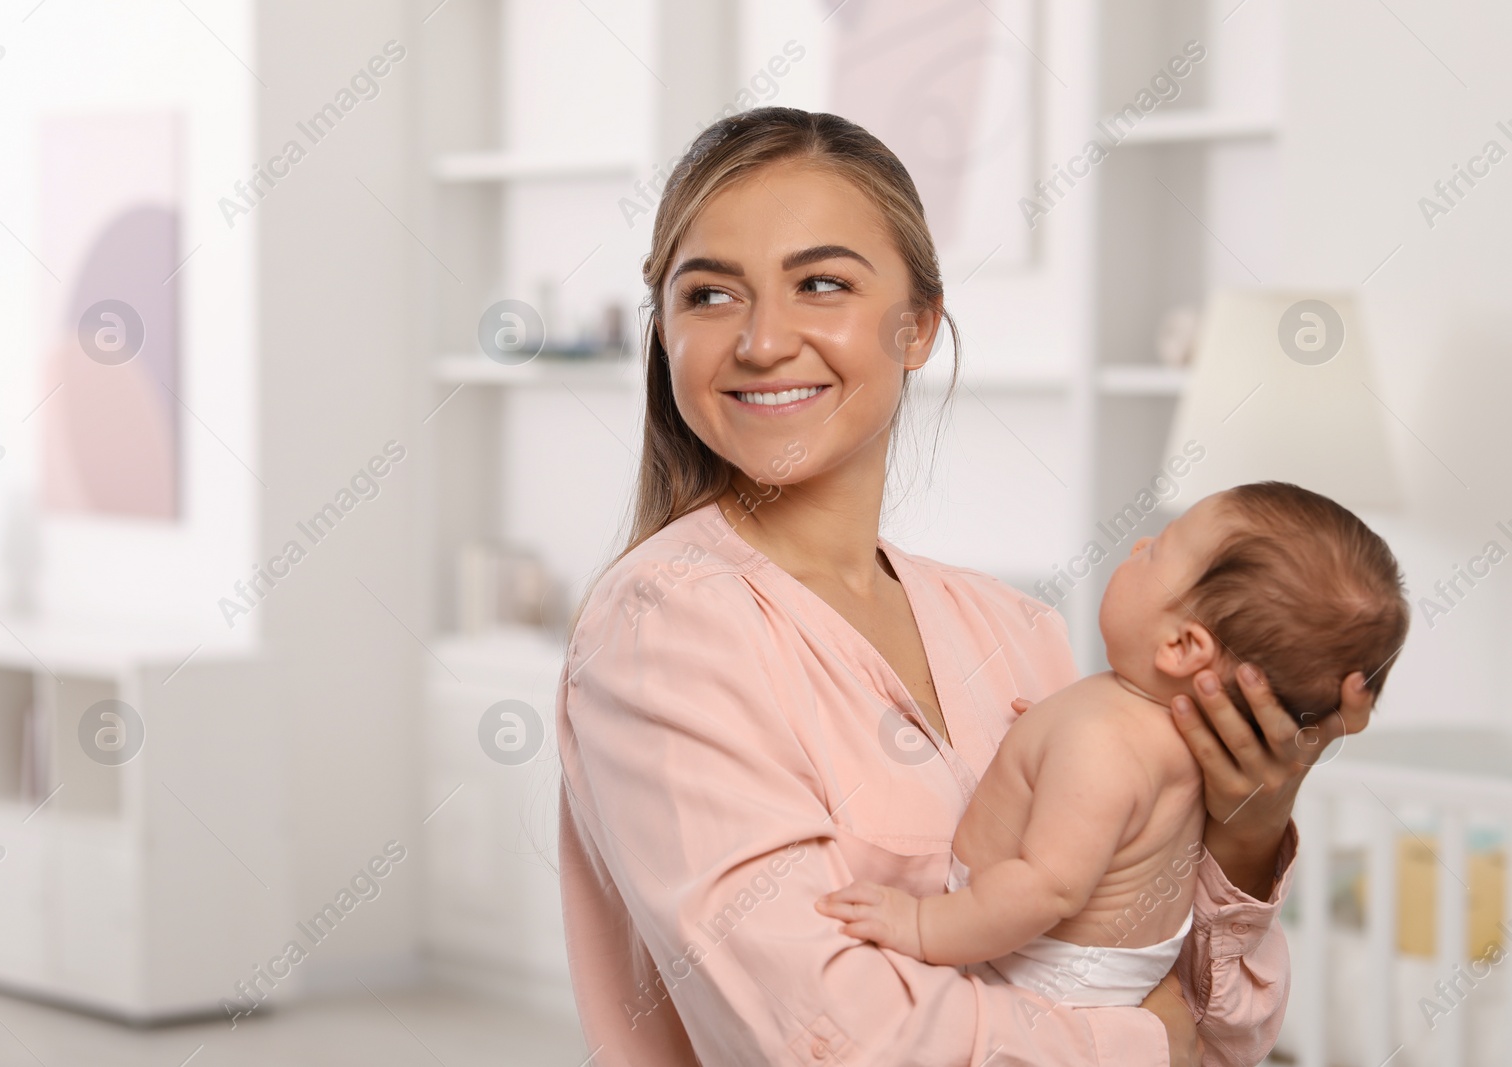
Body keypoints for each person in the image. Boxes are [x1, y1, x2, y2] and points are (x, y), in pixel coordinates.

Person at [556, 107, 1375, 1066]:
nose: (764, 341)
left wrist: (1246, 836)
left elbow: (1223, 1030)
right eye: (709, 296)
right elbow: (831, 1039)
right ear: (664, 334)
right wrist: (1143, 1043)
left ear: (918, 327)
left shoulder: (1014, 630)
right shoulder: (665, 629)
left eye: (820, 283)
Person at [816, 483, 1409, 1010]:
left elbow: (1047, 886)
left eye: (1157, 552)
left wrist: (919, 923)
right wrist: (1044, 733)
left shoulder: (1100, 744)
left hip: (1041, 984)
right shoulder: (1154, 736)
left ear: (1180, 646)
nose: (1137, 545)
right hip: (1104, 983)